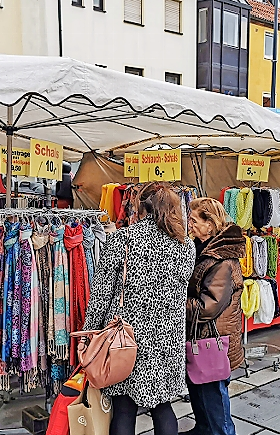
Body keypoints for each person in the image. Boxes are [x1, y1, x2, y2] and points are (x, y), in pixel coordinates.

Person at [83, 182, 196, 435]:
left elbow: (101, 294)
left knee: (124, 408)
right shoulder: (185, 245)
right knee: (163, 407)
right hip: (167, 338)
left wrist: (90, 333)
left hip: (126, 336)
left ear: (140, 206)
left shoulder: (123, 240)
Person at [184, 198, 246, 435]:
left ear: (210, 224)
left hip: (213, 338)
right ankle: (204, 428)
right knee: (200, 388)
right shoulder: (203, 250)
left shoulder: (222, 260)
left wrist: (177, 303)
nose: (190, 224)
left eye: (194, 220)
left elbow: (208, 306)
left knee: (212, 394)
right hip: (202, 336)